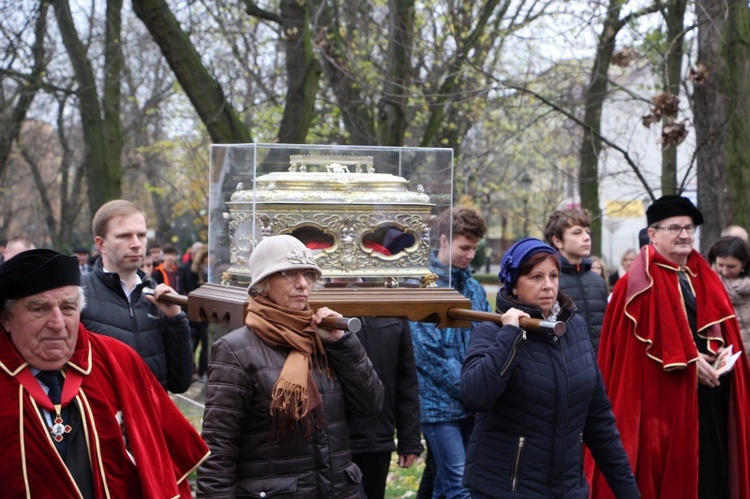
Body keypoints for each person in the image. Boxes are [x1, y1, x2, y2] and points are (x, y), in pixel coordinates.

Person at [0, 249, 209, 496]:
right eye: (39, 309)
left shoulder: (118, 360)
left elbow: (163, 463)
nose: (57, 324)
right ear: (6, 318)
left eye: (68, 308)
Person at [587, 195, 750, 498]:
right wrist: (689, 361)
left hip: (710, 401)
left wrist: (719, 357)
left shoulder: (707, 277)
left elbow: (722, 331)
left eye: (689, 228)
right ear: (653, 234)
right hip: (660, 408)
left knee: (713, 480)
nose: (685, 234)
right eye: (675, 227)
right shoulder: (635, 284)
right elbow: (629, 361)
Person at [196, 235, 384, 497]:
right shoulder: (236, 350)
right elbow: (218, 449)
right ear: (263, 284)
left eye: (308, 274)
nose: (302, 284)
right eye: (288, 274)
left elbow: (369, 406)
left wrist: (342, 345)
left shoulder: (324, 339)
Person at [460, 238, 638, 498]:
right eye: (536, 277)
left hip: (568, 489)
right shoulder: (492, 332)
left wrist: (629, 492)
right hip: (505, 490)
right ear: (514, 285)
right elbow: (475, 396)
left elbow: (598, 421)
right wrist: (510, 334)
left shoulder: (574, 329)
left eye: (554, 275)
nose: (548, 285)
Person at [410, 206, 490, 499]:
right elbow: (428, 351)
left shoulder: (473, 287)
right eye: (464, 247)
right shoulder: (423, 284)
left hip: (471, 400)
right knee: (459, 484)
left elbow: (487, 337)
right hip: (439, 404)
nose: (470, 255)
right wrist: (470, 385)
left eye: (474, 248)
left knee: (441, 479)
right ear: (444, 240)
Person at [80, 200, 193, 394]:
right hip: (104, 420)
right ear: (101, 244)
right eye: (124, 236)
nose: (136, 244)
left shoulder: (159, 297)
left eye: (141, 235)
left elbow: (180, 383)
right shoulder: (79, 295)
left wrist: (176, 318)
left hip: (152, 418)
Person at [348, 315, 424, 499]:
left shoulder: (391, 312)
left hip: (379, 438)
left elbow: (405, 380)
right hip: (339, 441)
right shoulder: (321, 308)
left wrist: (410, 439)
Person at [544, 208, 608, 354]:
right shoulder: (549, 282)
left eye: (587, 231)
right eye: (577, 232)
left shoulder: (598, 281)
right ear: (558, 241)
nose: (586, 237)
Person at [707, 235, 750, 357]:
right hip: (727, 352)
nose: (725, 271)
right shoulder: (707, 283)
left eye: (731, 267)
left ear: (744, 264)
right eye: (720, 265)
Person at [179, 244, 210, 382]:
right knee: (193, 343)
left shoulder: (204, 270)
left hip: (204, 313)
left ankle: (202, 371)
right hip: (193, 312)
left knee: (204, 343)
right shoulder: (188, 269)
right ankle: (191, 370)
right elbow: (186, 290)